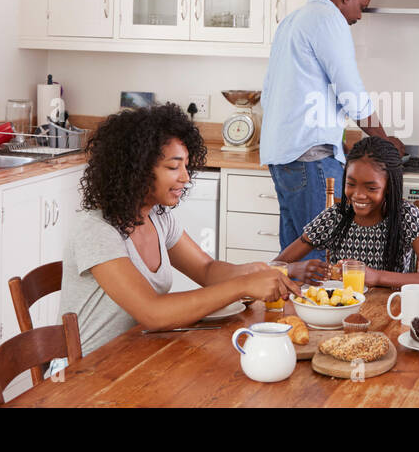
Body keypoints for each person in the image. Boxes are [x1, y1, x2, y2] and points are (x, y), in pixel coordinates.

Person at [59, 103, 299, 356]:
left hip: (139, 354)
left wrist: (254, 271)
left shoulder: (158, 217)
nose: (186, 177)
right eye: (174, 167)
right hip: (89, 371)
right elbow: (153, 312)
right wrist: (243, 285)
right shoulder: (96, 230)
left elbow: (206, 270)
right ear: (137, 170)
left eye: (186, 165)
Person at [260, 0, 406, 262]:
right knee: (319, 255)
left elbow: (275, 92)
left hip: (283, 155)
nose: (360, 17)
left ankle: (290, 310)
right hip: (310, 158)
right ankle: (315, 310)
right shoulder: (329, 20)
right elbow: (349, 89)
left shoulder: (292, 20)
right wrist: (383, 140)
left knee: (293, 257)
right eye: (361, 7)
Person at [272, 137, 419, 288]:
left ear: (389, 187)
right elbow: (273, 267)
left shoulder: (405, 216)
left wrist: (377, 277)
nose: (358, 195)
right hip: (340, 310)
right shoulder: (335, 217)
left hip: (390, 312)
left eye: (371, 187)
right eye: (351, 184)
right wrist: (295, 268)